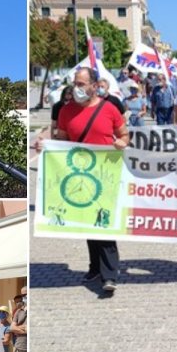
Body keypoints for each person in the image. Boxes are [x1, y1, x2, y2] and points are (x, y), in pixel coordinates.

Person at [56, 67, 130, 293]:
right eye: (75, 84)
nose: (76, 88)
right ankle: (95, 267)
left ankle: (110, 274)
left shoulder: (109, 109)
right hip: (80, 176)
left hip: (106, 175)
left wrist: (122, 143)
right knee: (88, 223)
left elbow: (125, 135)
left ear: (94, 85)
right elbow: (61, 141)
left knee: (104, 223)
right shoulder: (66, 111)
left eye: (81, 84)